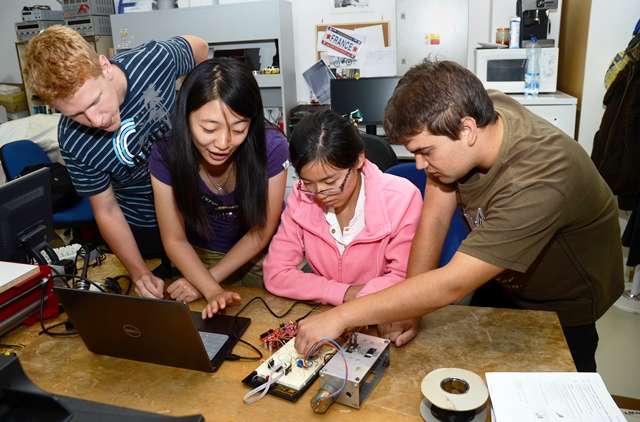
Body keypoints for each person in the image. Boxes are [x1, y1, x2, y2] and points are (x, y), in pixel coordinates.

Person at [294, 59, 624, 372]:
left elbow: (453, 284)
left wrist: (340, 317)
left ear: (467, 130)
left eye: (425, 152)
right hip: (502, 280)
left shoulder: (540, 180)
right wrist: (411, 309)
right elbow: (435, 219)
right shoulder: (475, 114)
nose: (419, 166)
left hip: (563, 301)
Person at [21, 25, 209, 298]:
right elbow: (106, 210)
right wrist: (139, 273)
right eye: (77, 114)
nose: (97, 120)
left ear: (104, 66)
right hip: (142, 225)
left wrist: (193, 105)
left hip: (197, 210)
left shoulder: (153, 61)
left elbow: (200, 47)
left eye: (96, 100)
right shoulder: (73, 140)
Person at [149, 58, 289, 317]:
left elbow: (263, 229)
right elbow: (174, 238)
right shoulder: (165, 153)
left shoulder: (272, 146)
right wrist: (210, 287)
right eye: (209, 128)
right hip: (199, 256)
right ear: (185, 117)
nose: (223, 143)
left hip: (264, 251)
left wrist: (207, 285)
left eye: (239, 129)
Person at [263, 110, 422, 326]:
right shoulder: (302, 197)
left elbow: (407, 280)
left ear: (358, 160)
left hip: (386, 318)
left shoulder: (402, 199)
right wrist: (343, 293)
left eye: (331, 182)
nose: (320, 194)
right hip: (325, 316)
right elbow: (276, 272)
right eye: (309, 182)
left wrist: (352, 304)